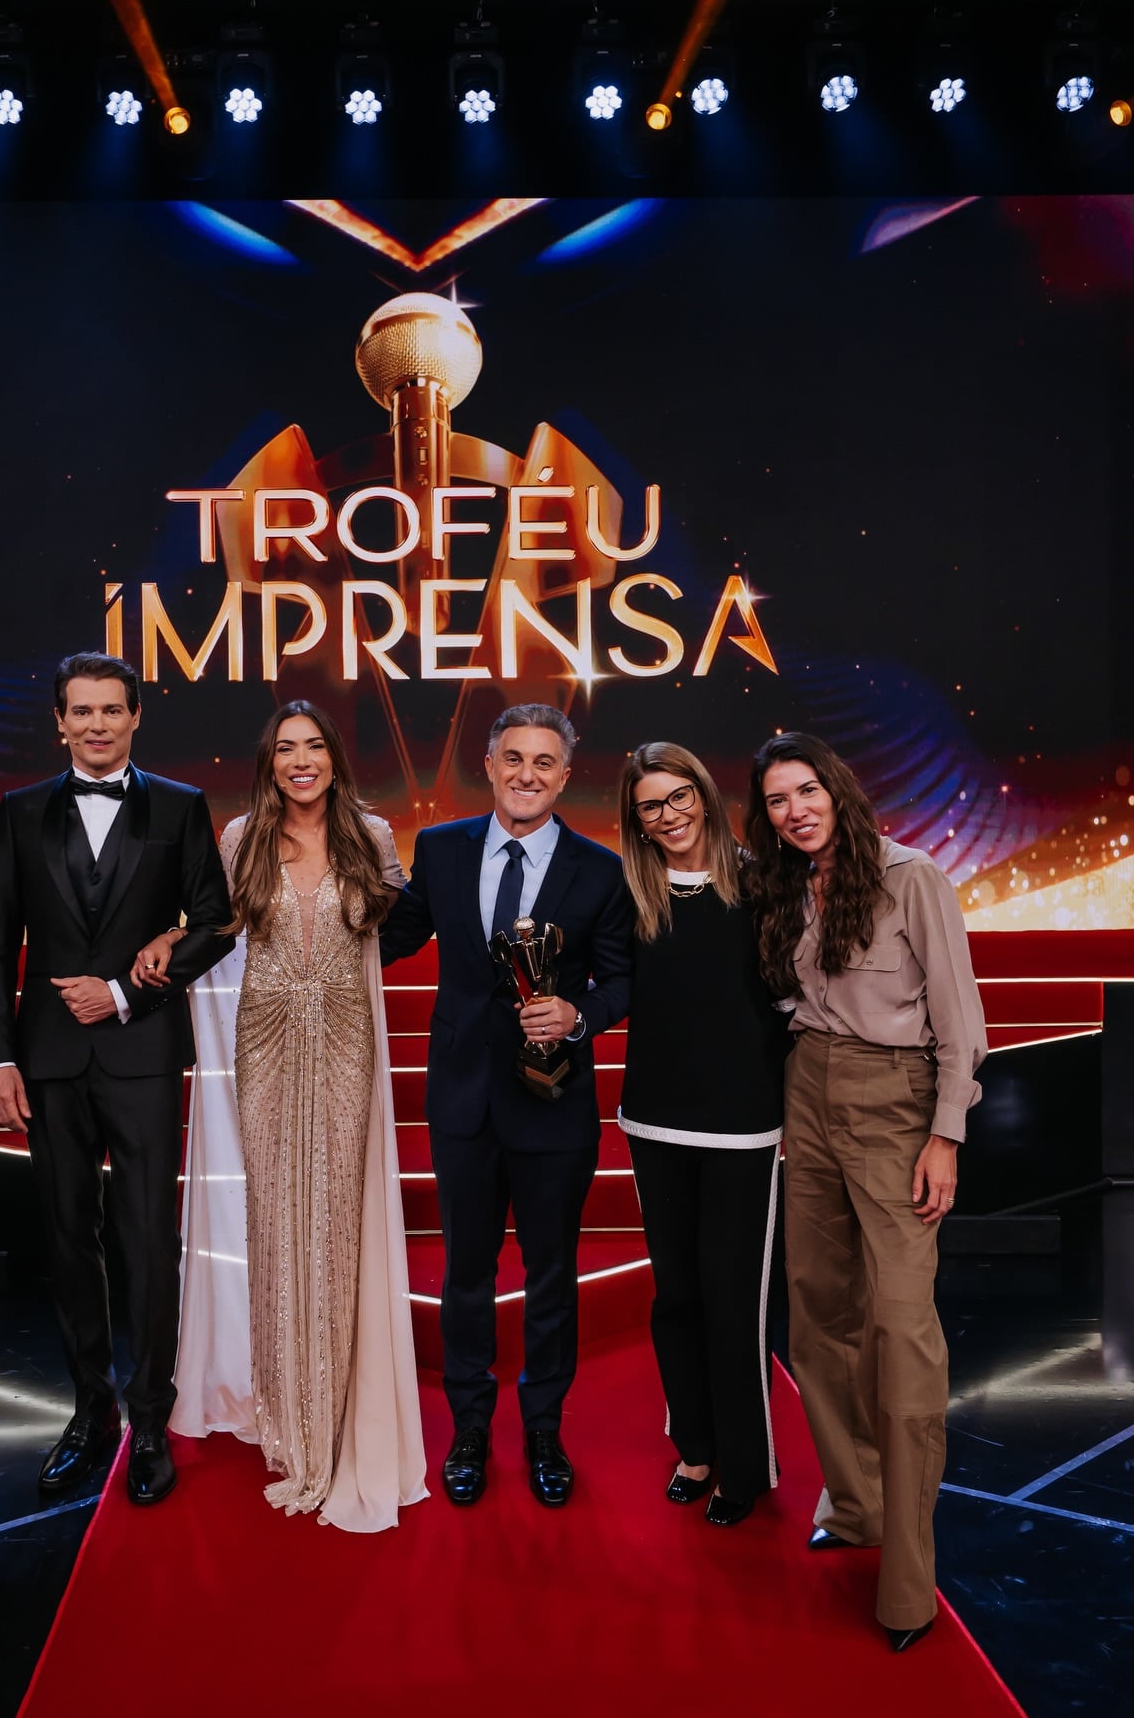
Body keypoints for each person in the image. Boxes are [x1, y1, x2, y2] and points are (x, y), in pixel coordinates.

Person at [135, 702, 426, 1531]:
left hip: (344, 1035)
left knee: (335, 1220)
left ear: (334, 759)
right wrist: (168, 939)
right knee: (275, 1221)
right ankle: (285, 1413)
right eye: (286, 750)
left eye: (315, 747)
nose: (302, 761)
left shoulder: (371, 834)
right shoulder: (241, 838)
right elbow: (220, 923)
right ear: (269, 764)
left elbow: (401, 926)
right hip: (262, 1038)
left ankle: (337, 1416)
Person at [746, 732, 987, 1651]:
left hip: (897, 1101)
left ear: (837, 790)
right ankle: (855, 1506)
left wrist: (945, 1136)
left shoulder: (911, 877)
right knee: (818, 1311)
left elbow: (962, 1020)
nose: (795, 811)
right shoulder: (782, 886)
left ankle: (909, 1585)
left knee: (900, 1325)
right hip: (808, 1087)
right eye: (777, 800)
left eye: (807, 790)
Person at [0, 652, 232, 1507]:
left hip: (143, 1050)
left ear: (135, 716)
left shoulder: (181, 805)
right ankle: (91, 1412)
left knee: (150, 1240)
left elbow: (217, 921)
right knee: (66, 1237)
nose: (96, 724)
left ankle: (150, 1421)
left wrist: (124, 990)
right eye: (80, 711)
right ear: (59, 722)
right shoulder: (18, 812)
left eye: (111, 710)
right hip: (47, 1060)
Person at [379, 703, 632, 1509]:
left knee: (552, 1275)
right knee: (466, 1274)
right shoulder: (441, 848)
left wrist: (579, 1013)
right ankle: (470, 1430)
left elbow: (622, 978)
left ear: (565, 775)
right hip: (461, 1097)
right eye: (513, 758)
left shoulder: (601, 869)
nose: (527, 774)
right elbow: (389, 936)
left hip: (554, 1104)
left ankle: (545, 1431)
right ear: (488, 765)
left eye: (543, 762)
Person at [616, 742, 789, 1528]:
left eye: (679, 796)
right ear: (638, 821)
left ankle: (744, 1465)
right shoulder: (633, 891)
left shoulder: (762, 883)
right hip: (654, 1122)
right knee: (677, 1296)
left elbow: (790, 1000)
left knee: (733, 1301)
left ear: (705, 794)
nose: (669, 815)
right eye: (651, 806)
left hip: (742, 1128)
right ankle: (694, 1444)